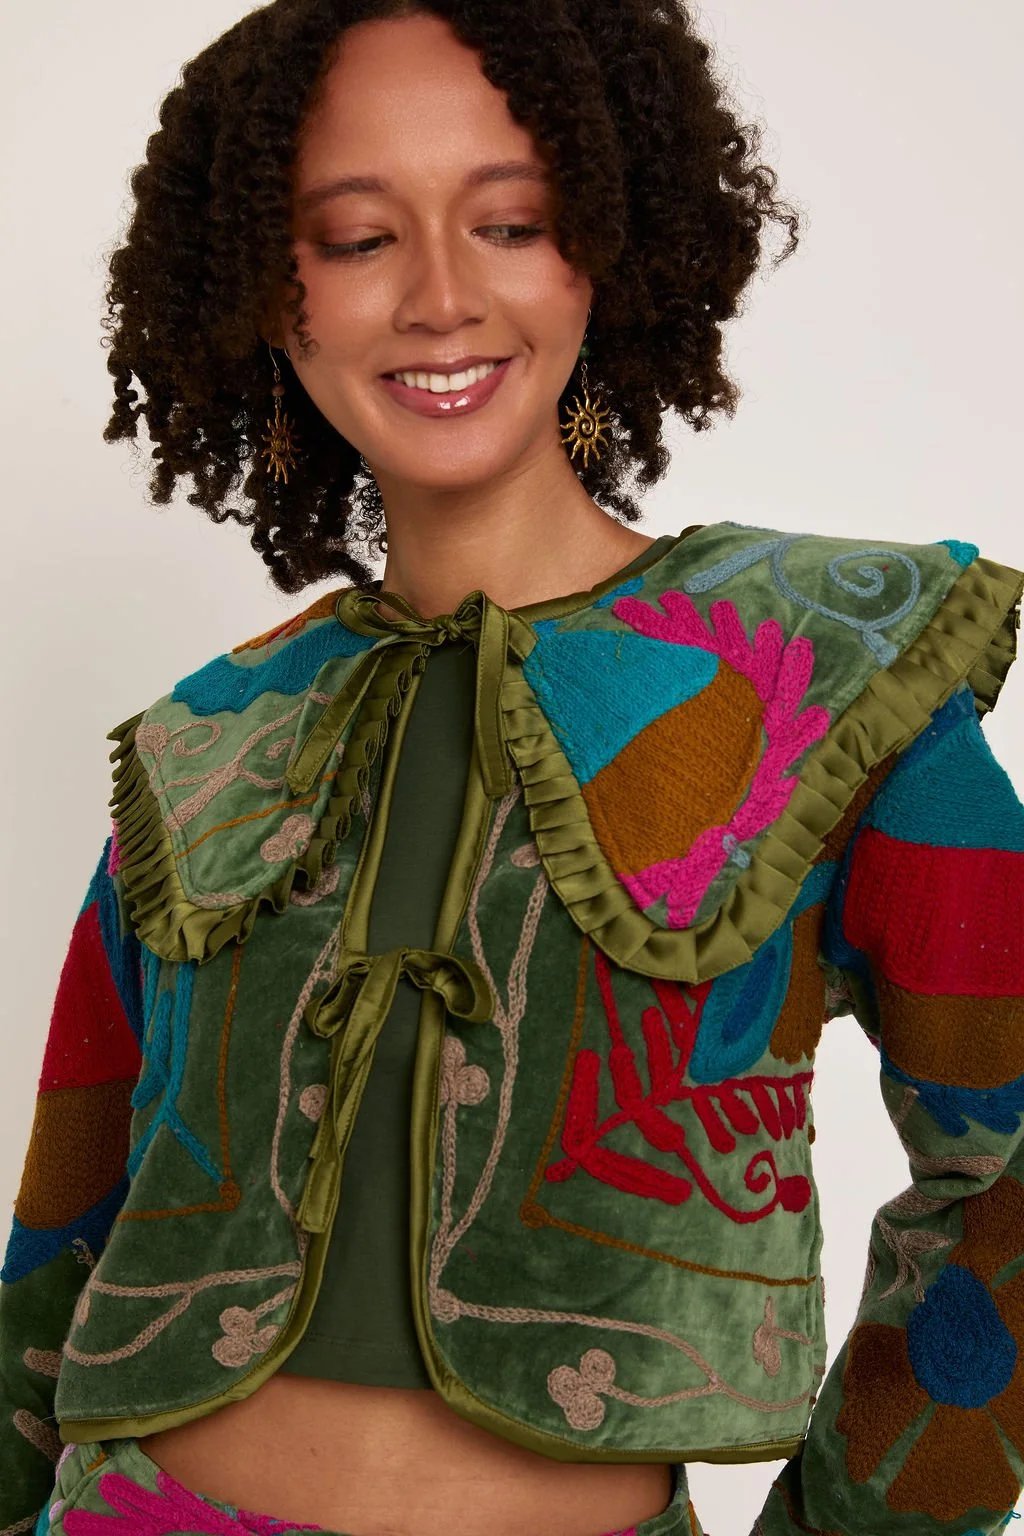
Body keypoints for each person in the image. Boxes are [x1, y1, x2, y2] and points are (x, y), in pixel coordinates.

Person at [2, 3, 1022, 1535]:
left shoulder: (842, 669)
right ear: (272, 301)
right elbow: (59, 1237)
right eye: (355, 239)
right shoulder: (206, 740)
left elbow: (1007, 1185)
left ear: (603, 247)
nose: (438, 295)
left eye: (512, 221)